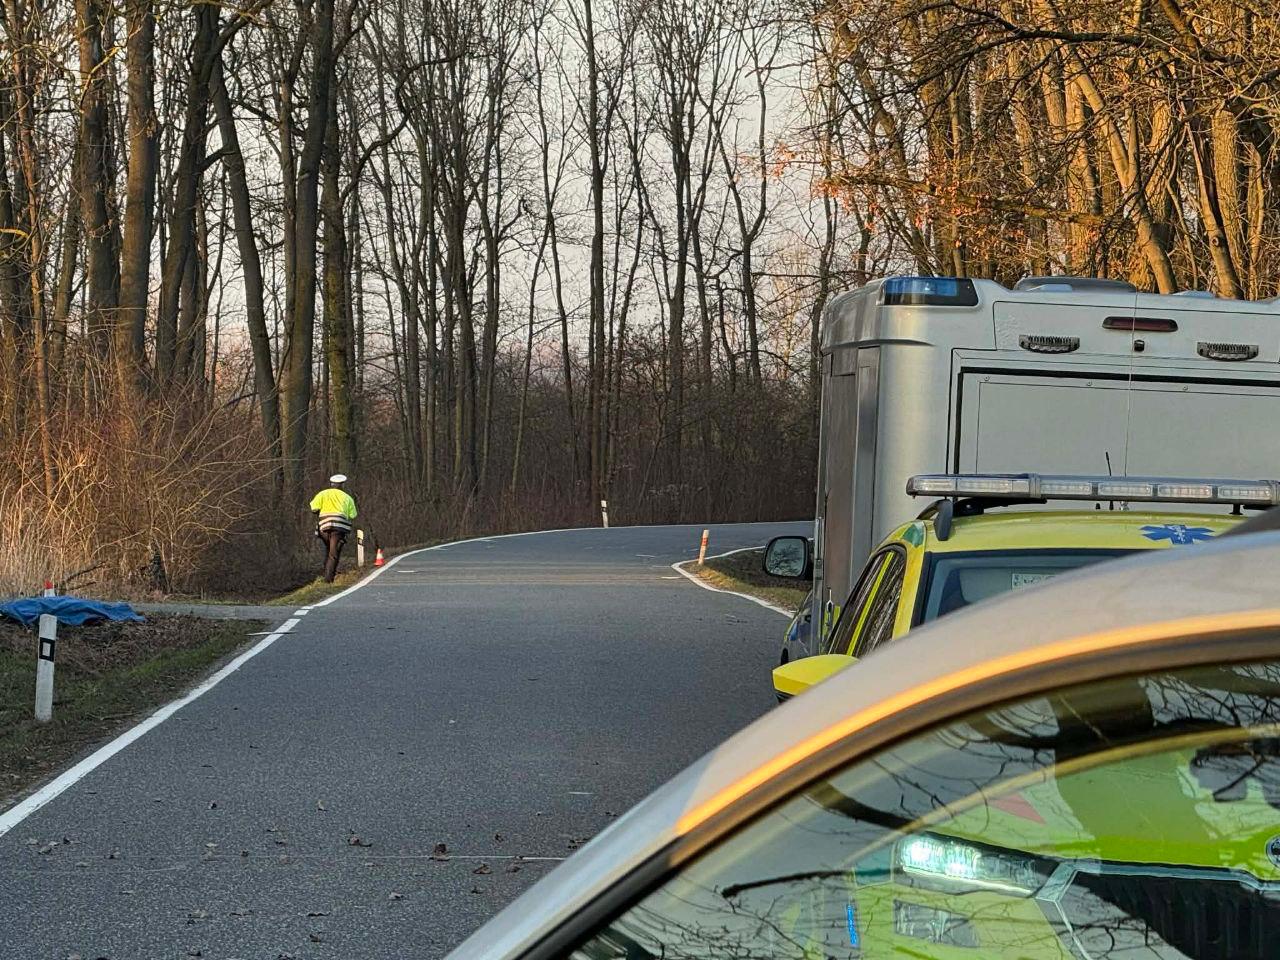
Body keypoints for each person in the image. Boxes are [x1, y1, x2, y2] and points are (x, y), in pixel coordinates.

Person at [309, 474, 358, 582]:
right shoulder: (347, 498)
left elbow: (314, 508)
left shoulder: (322, 494)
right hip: (339, 528)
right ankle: (328, 579)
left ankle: (325, 576)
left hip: (324, 527)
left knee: (327, 551)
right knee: (333, 554)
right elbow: (353, 515)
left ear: (331, 484)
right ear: (342, 485)